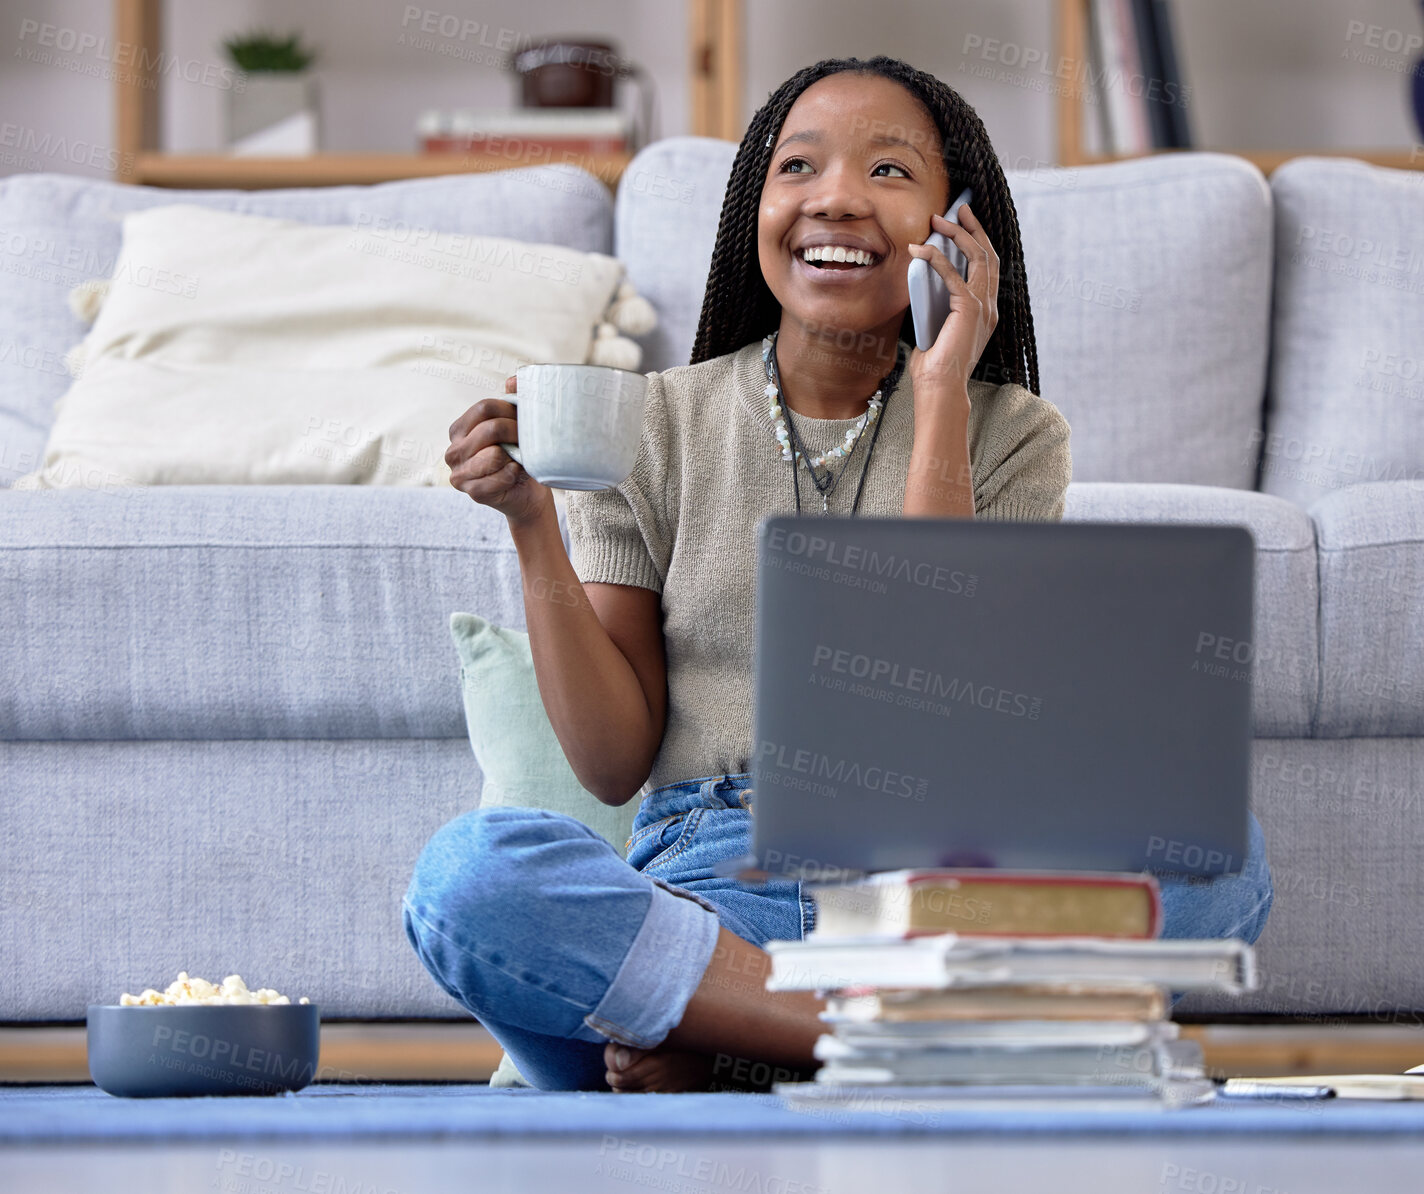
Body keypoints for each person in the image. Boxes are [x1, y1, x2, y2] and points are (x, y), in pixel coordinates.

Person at [404, 55, 1272, 1094]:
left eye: (890, 171)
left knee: (1220, 850)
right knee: (472, 878)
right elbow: (608, 764)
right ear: (754, 209)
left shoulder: (1012, 432)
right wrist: (531, 524)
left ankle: (724, 1039)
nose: (837, 198)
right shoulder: (650, 425)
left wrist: (943, 386)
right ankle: (906, 1045)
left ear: (958, 225)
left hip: (934, 891)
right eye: (799, 166)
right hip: (711, 887)